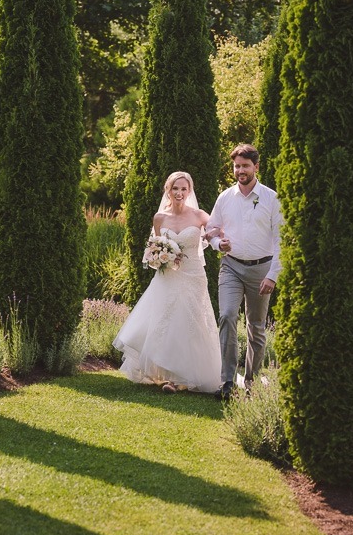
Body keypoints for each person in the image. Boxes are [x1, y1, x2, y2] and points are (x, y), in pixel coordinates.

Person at [112, 171, 223, 394]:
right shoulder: (159, 218)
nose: (179, 193)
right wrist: (159, 257)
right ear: (168, 190)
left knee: (190, 323)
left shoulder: (201, 216)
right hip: (168, 277)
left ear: (189, 191)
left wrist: (221, 239)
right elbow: (154, 247)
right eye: (175, 188)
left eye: (184, 189)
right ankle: (169, 377)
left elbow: (217, 232)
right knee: (166, 321)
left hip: (193, 276)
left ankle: (188, 375)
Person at [207, 144, 283, 400]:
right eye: (237, 166)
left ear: (256, 167)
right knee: (227, 316)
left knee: (257, 327)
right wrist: (219, 244)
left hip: (262, 268)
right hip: (231, 266)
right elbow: (212, 230)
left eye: (245, 166)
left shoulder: (271, 198)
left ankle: (250, 381)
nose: (240, 170)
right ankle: (227, 382)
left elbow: (281, 241)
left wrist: (273, 275)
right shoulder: (225, 198)